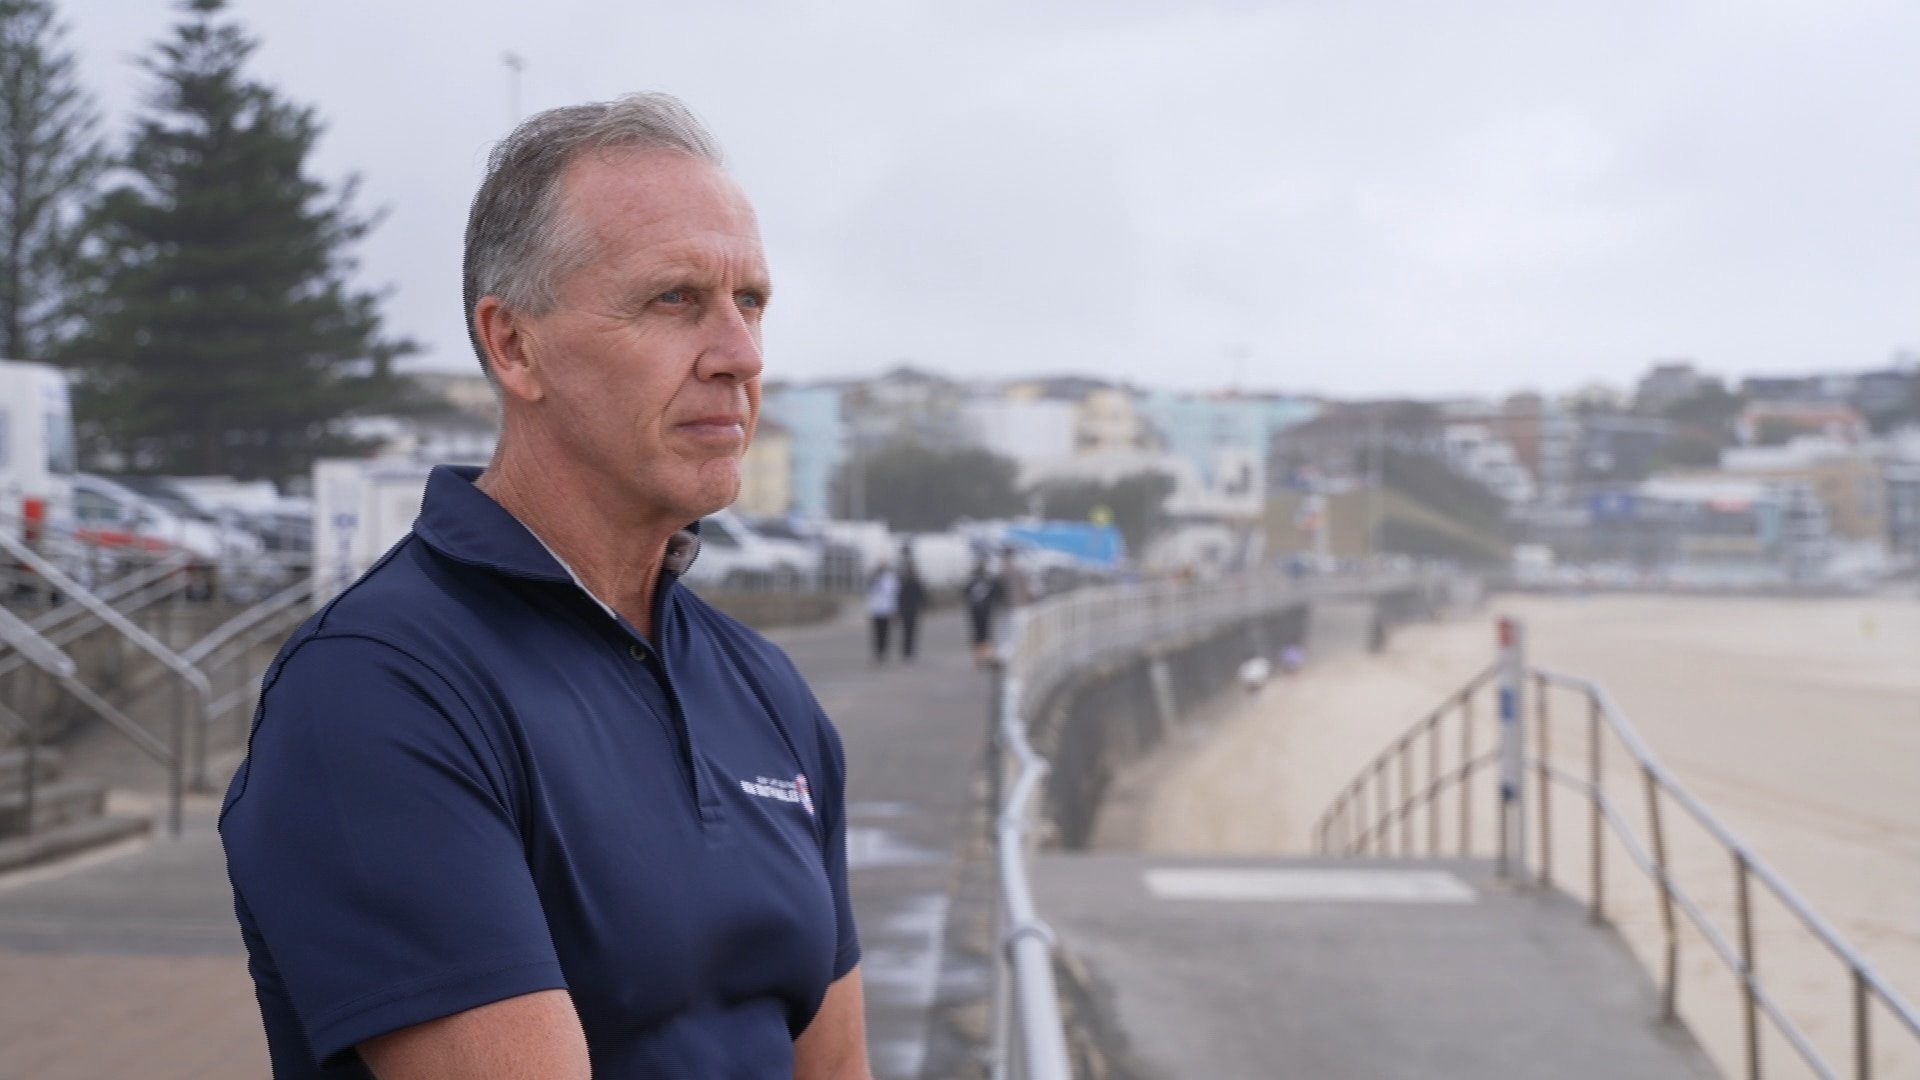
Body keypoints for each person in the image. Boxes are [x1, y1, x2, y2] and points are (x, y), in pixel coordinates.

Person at [220, 95, 870, 1080]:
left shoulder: (767, 692)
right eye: (674, 299)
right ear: (513, 345)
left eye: (752, 302)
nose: (740, 356)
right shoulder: (375, 693)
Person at [963, 552, 1000, 664]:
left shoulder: (971, 581)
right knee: (985, 633)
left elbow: (965, 593)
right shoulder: (989, 581)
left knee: (977, 633)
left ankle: (979, 656)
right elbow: (995, 594)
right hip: (985, 610)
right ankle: (984, 655)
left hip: (975, 610)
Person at [895, 543, 927, 661]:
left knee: (908, 630)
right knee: (909, 630)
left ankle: (907, 652)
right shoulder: (906, 576)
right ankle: (908, 652)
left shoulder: (904, 576)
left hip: (908, 607)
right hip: (909, 607)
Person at [865, 558, 898, 662]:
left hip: (886, 610)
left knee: (885, 633)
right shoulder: (873, 578)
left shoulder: (891, 578)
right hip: (876, 610)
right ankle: (878, 653)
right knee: (877, 633)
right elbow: (869, 593)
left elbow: (894, 594)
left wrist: (894, 609)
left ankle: (883, 652)